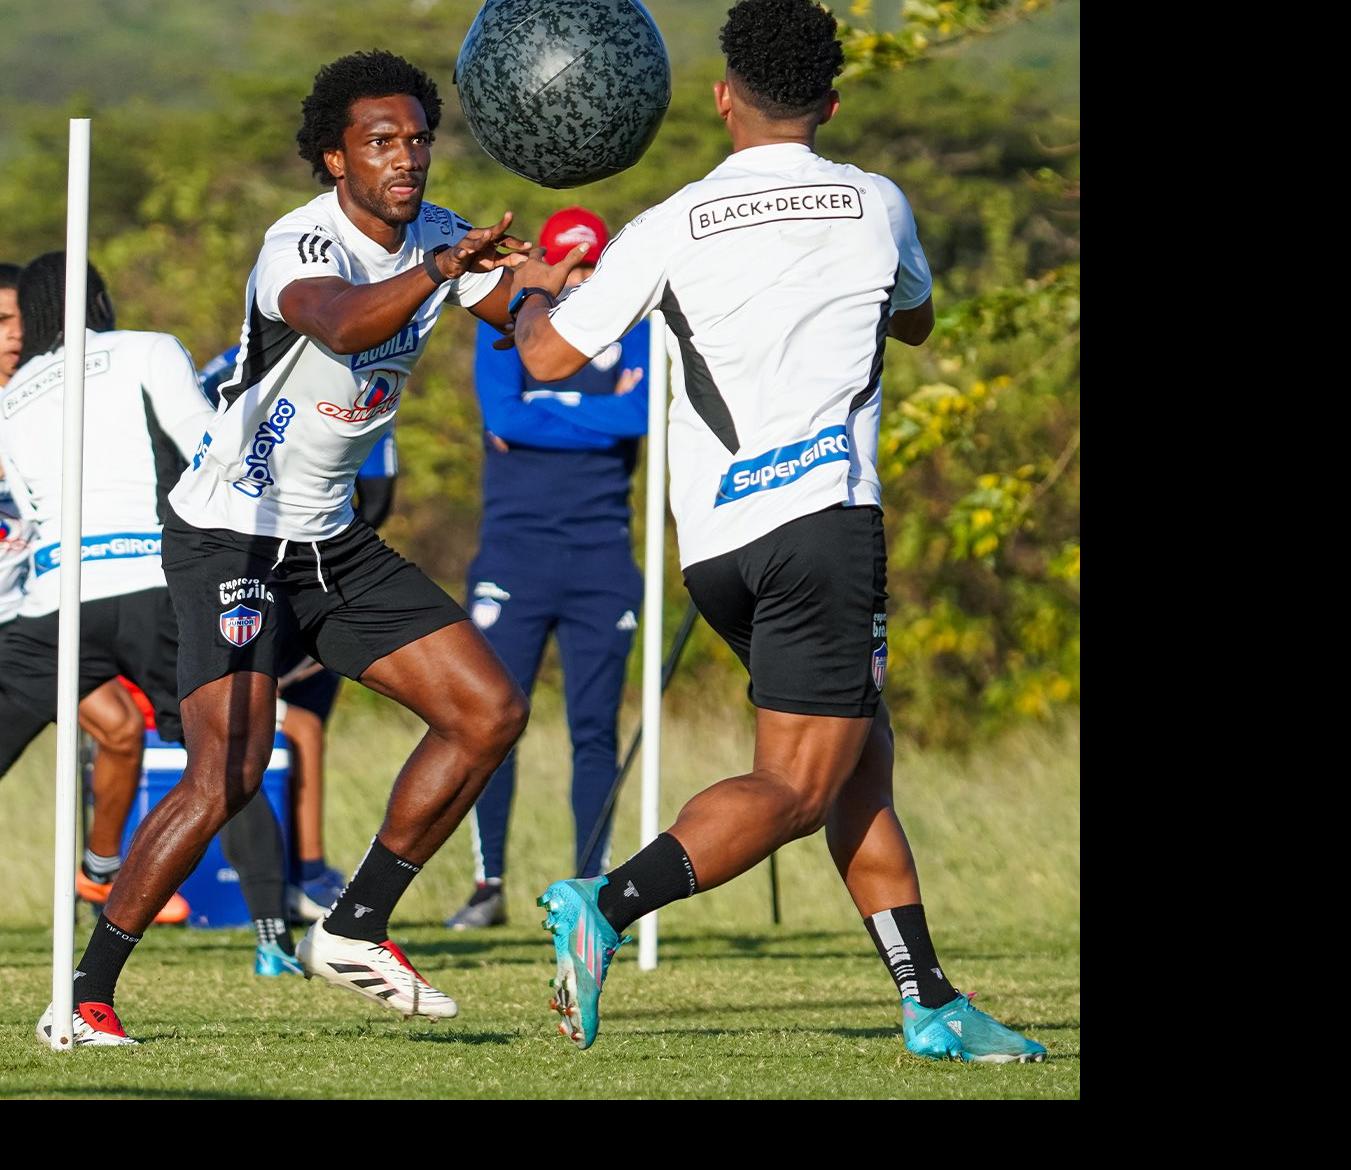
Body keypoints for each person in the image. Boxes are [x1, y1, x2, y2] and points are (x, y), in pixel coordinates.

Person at [505, 0, 1044, 1062]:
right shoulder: (876, 203)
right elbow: (917, 318)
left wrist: (527, 294)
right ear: (830, 103)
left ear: (722, 98)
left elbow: (548, 357)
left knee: (856, 760)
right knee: (799, 786)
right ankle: (606, 903)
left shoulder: (669, 222)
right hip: (822, 528)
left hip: (717, 549)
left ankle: (931, 1000)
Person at [38, 49, 585, 1046]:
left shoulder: (439, 234)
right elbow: (339, 325)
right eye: (381, 142)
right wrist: (442, 271)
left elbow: (529, 328)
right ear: (336, 158)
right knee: (227, 773)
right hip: (234, 535)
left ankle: (355, 926)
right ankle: (84, 994)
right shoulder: (300, 243)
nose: (405, 157)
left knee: (487, 712)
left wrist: (544, 293)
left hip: (333, 538)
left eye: (418, 138)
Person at [447, 207, 649, 929]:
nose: (577, 280)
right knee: (492, 722)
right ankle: (488, 885)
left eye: (589, 267)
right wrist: (590, 414)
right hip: (514, 556)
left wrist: (548, 407)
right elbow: (504, 417)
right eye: (566, 267)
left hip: (602, 559)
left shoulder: (634, 328)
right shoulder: (506, 326)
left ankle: (593, 890)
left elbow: (640, 418)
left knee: (594, 732)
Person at [0, 260, 194, 926]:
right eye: (0, 323)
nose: (12, 335)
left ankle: (100, 873)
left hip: (41, 606)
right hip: (30, 623)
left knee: (120, 730)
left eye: (16, 320)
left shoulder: (48, 391)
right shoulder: (20, 406)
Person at [198, 344, 378, 920]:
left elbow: (377, 493)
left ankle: (306, 876)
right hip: (233, 572)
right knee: (271, 738)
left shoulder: (359, 362)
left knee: (297, 731)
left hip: (300, 571)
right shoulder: (226, 375)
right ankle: (303, 876)